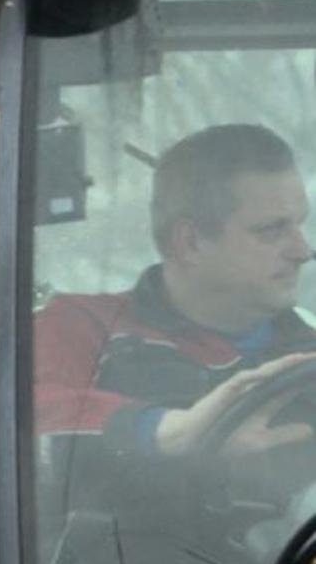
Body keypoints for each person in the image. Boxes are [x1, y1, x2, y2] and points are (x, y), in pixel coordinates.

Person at [34, 122, 316, 458]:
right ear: (191, 243)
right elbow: (16, 409)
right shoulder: (85, 326)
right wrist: (164, 430)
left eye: (299, 225)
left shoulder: (308, 346)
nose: (303, 251)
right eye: (271, 230)